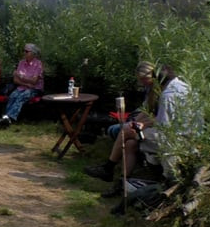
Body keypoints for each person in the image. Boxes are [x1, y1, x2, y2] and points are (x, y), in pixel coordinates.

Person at [84, 62, 200, 197]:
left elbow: (163, 124)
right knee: (129, 144)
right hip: (176, 132)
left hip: (177, 138)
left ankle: (108, 168)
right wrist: (135, 123)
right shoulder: (179, 87)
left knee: (127, 132)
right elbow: (152, 113)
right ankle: (122, 183)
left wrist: (141, 126)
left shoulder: (168, 95)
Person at [0, 43, 44, 126]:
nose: (24, 53)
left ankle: (9, 118)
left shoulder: (38, 64)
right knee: (12, 96)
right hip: (23, 87)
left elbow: (34, 81)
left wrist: (20, 76)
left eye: (26, 51)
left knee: (22, 96)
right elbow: (15, 80)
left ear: (33, 53)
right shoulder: (21, 63)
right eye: (24, 51)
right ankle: (6, 118)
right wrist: (26, 83)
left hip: (35, 89)